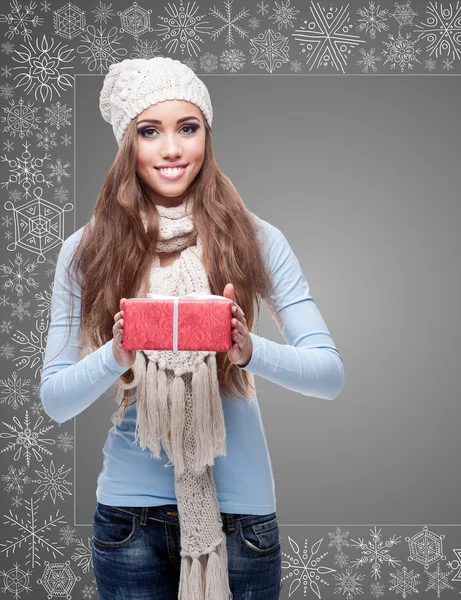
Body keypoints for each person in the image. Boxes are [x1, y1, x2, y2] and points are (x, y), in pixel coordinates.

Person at [39, 57, 344, 600]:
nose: (172, 150)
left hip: (241, 520)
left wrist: (247, 349)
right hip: (128, 521)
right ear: (127, 145)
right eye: (150, 132)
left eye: (188, 128)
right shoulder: (85, 252)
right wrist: (118, 352)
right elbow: (55, 400)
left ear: (207, 134)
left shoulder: (257, 238)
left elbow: (329, 375)